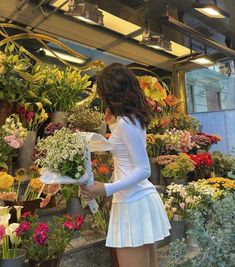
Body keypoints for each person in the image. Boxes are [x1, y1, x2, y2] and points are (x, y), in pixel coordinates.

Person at [81, 63, 171, 267]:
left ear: (110, 93)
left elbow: (143, 169)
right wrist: (112, 126)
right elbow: (124, 156)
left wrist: (105, 189)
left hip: (133, 202)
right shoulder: (128, 120)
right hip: (136, 200)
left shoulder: (126, 123)